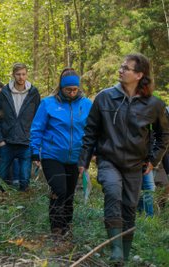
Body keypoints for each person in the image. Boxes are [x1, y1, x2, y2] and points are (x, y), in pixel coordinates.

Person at [78, 53, 169, 264]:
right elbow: (91, 130)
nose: (120, 70)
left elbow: (163, 134)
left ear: (139, 74)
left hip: (135, 165)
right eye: (121, 67)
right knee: (112, 193)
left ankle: (123, 257)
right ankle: (115, 250)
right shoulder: (104, 97)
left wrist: (153, 161)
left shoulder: (154, 104)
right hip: (108, 159)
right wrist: (83, 161)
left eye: (126, 68)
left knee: (129, 207)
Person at [30, 68, 92, 237]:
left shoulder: (86, 104)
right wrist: (35, 152)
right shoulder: (48, 103)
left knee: (70, 194)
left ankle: (67, 227)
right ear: (61, 88)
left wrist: (89, 154)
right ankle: (56, 230)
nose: (72, 93)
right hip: (52, 155)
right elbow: (37, 129)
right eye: (68, 90)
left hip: (75, 157)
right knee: (60, 190)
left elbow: (92, 131)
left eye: (75, 89)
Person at [0, 63, 41, 191]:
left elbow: (39, 119)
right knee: (0, 178)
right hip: (7, 142)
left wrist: (35, 141)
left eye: (23, 74)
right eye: (18, 74)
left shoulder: (34, 92)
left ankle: (24, 206)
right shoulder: (4, 92)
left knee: (25, 179)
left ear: (27, 74)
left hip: (26, 142)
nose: (21, 77)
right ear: (13, 75)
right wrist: (0, 140)